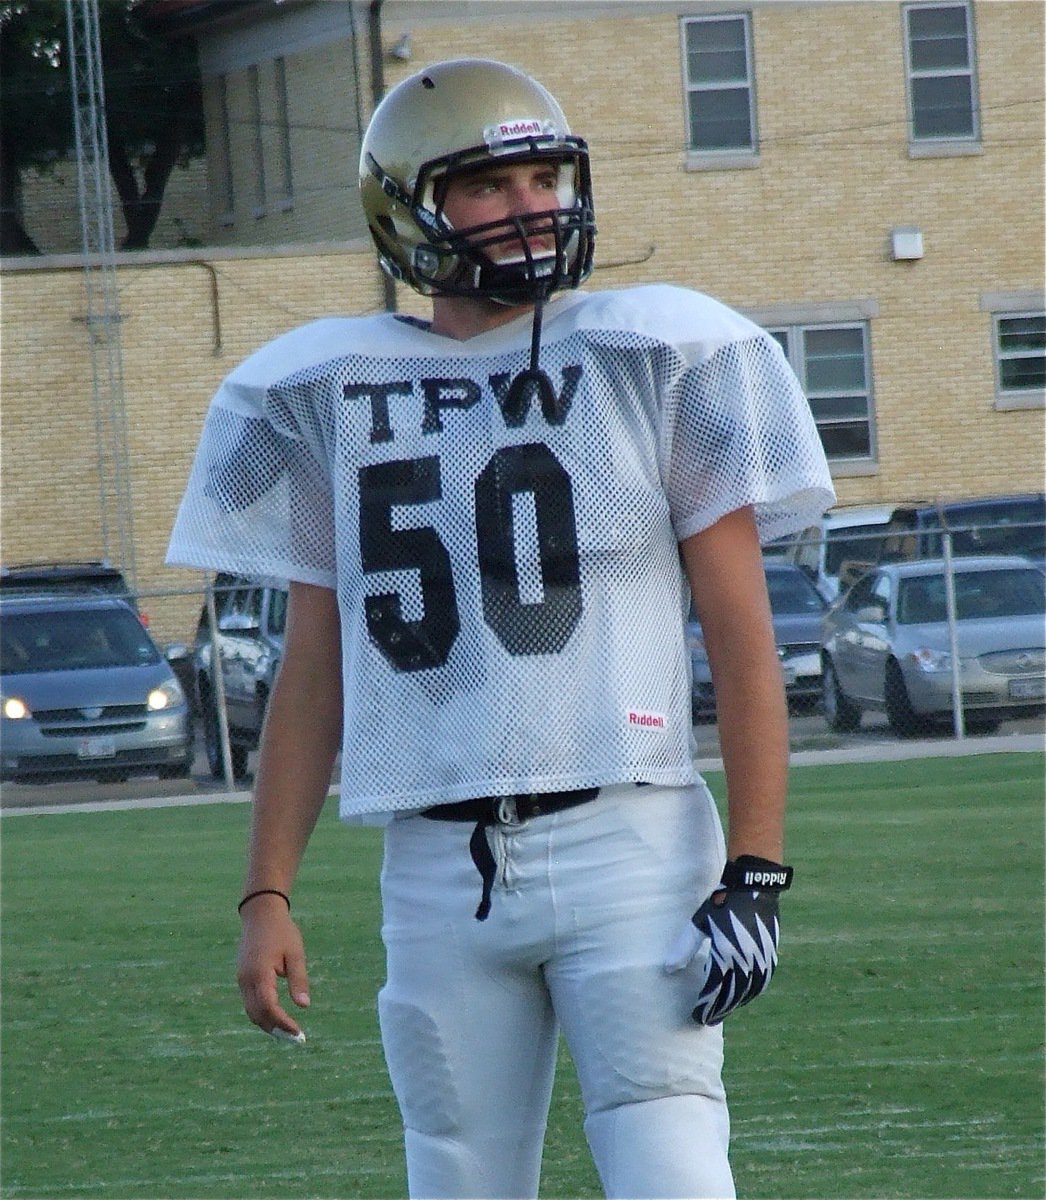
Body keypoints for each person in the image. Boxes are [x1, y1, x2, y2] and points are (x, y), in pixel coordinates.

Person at [168, 57, 835, 1199]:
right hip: (432, 865)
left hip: (631, 838)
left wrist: (755, 870)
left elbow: (740, 638)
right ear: (406, 207)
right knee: (457, 1178)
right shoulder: (326, 385)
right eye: (488, 183)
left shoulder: (655, 354)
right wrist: (265, 890)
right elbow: (314, 672)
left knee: (671, 1163)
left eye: (543, 174)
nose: (530, 205)